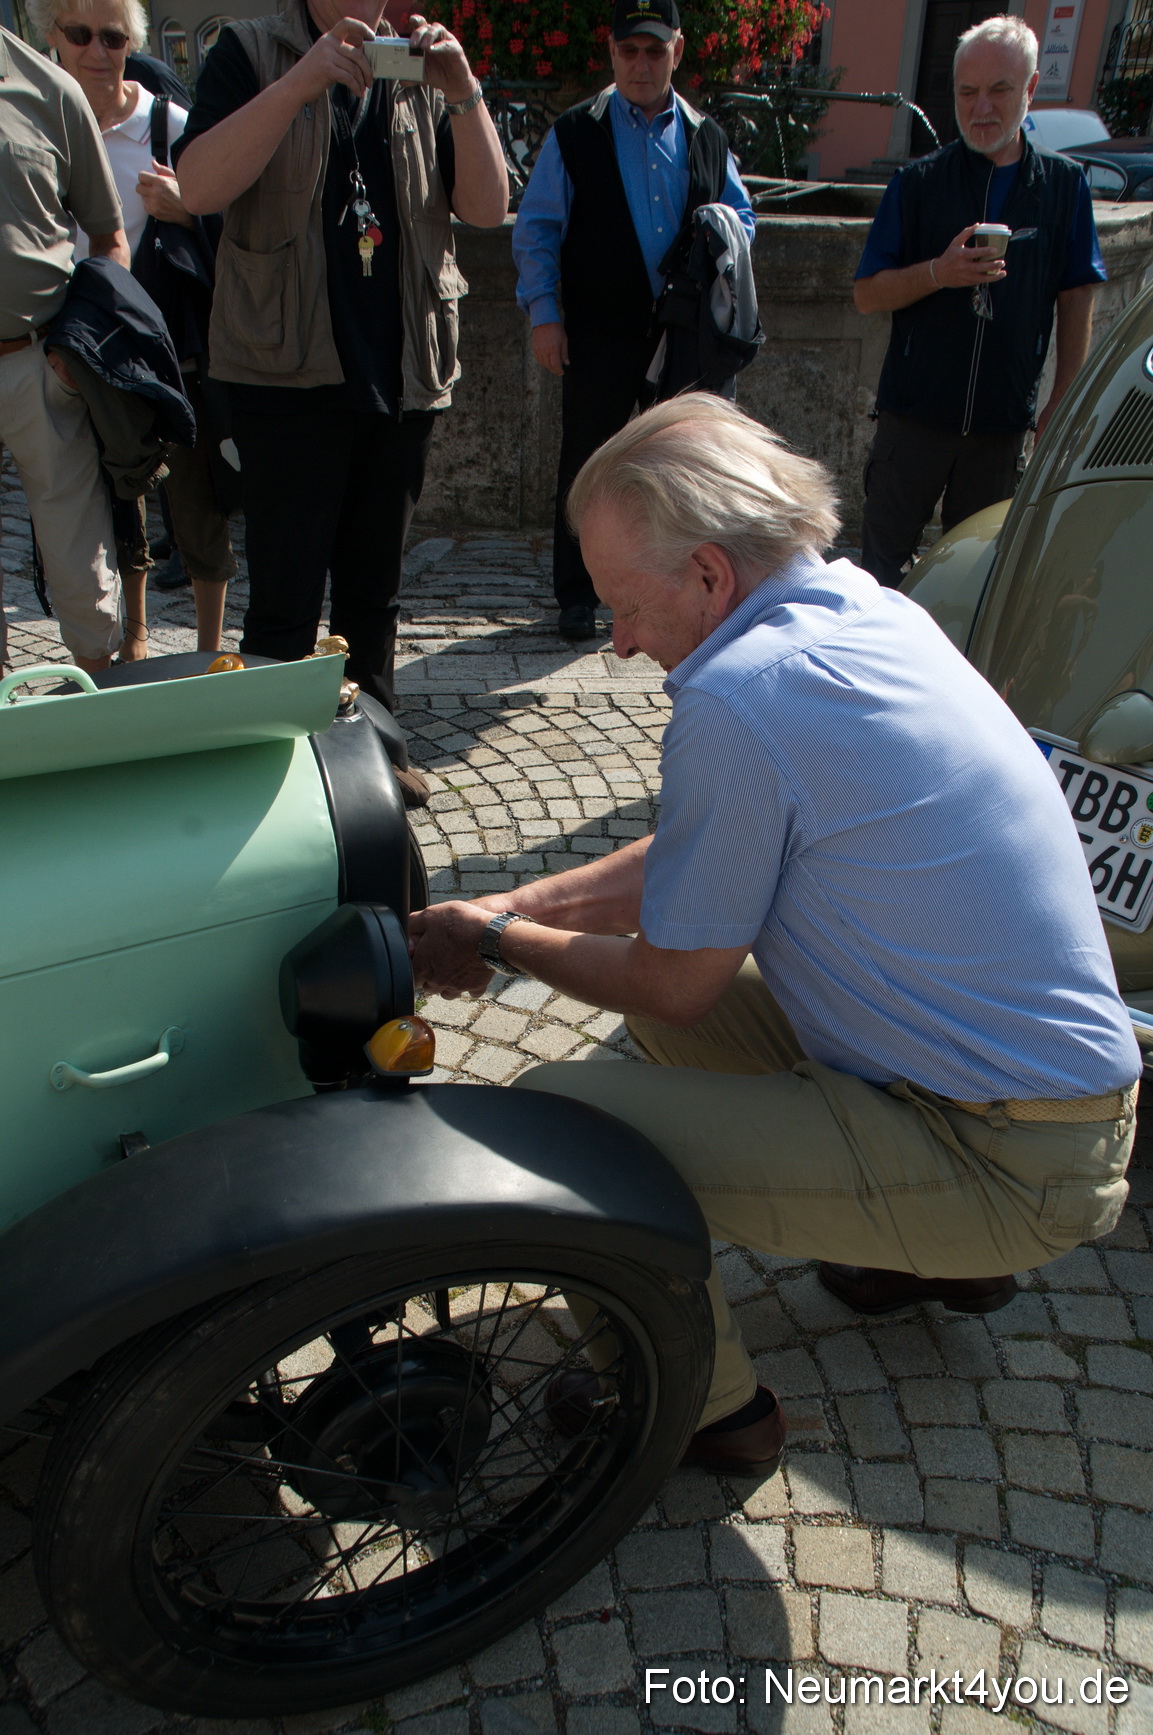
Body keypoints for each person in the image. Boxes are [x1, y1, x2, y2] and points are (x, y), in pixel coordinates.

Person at [407, 394, 1140, 1478]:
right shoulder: (855, 607)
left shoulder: (740, 698)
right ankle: (923, 1264)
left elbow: (672, 983)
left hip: (1009, 1158)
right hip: (1040, 1106)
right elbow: (696, 855)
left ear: (708, 574)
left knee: (563, 1116)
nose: (614, 641)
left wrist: (504, 944)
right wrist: (511, 911)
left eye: (625, 605)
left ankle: (703, 1410)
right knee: (672, 1038)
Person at [174, 0, 507, 710]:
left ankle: (375, 759)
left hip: (401, 371)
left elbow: (485, 206)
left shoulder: (418, 63)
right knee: (284, 606)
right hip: (282, 374)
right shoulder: (251, 51)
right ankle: (274, 775)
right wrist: (299, 81)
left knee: (373, 599)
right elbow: (198, 185)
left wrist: (462, 90)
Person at [511, 0, 755, 643]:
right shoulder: (575, 130)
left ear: (677, 49)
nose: (641, 64)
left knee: (683, 465)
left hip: (681, 336)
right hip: (597, 329)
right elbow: (536, 230)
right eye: (629, 52)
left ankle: (686, 587)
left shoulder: (707, 135)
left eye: (654, 50)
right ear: (612, 52)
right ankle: (576, 595)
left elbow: (742, 220)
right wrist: (544, 314)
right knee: (586, 464)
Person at [853, 15, 1105, 590]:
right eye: (967, 92)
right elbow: (867, 293)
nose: (981, 108)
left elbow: (1078, 295)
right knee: (878, 580)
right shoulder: (917, 184)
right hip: (913, 424)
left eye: (999, 90)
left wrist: (1062, 402)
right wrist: (939, 273)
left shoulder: (1064, 187)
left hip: (999, 429)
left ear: (1031, 89)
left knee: (978, 585)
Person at [34, 0, 236, 659]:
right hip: (71, 347)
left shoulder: (168, 126)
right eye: (81, 34)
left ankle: (208, 649)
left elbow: (230, 226)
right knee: (112, 501)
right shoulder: (37, 124)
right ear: (51, 36)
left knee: (194, 498)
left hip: (165, 346)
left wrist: (185, 208)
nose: (97, 51)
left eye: (114, 37)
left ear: (133, 42)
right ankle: (135, 640)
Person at [0, 22, 127, 673]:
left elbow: (108, 239)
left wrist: (78, 352)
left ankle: (103, 704)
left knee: (81, 564)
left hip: (35, 358)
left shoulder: (49, 89)